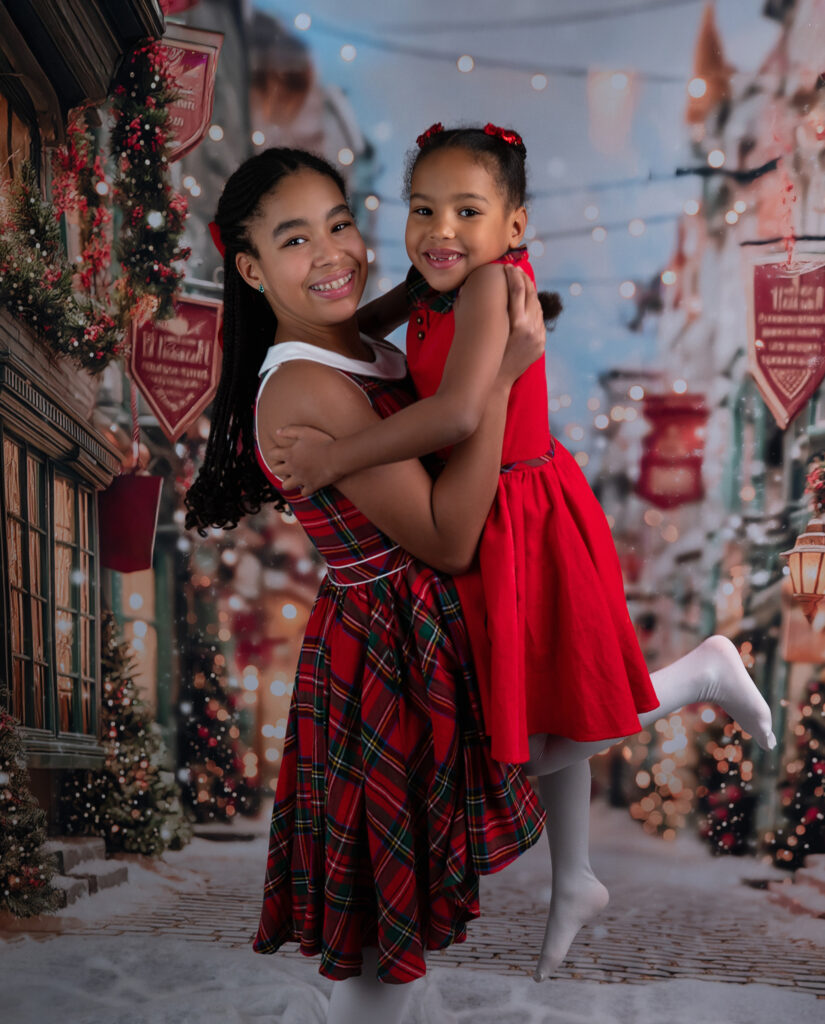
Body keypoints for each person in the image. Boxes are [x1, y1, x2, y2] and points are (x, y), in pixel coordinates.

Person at [269, 123, 777, 981]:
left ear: (515, 227)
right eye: (422, 208)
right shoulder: (441, 280)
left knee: (519, 728)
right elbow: (370, 317)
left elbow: (461, 417)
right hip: (505, 502)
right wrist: (326, 319)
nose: (439, 228)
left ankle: (699, 675)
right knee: (542, 702)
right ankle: (573, 876)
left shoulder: (484, 290)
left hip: (513, 514)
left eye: (467, 210)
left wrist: (335, 455)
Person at [184, 146, 549, 1024]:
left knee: (388, 944)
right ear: (250, 267)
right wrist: (499, 373)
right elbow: (449, 535)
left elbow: (418, 296)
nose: (332, 252)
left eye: (341, 223)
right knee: (380, 938)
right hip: (387, 646)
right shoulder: (305, 382)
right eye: (296, 239)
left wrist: (466, 273)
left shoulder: (349, 342)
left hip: (406, 626)